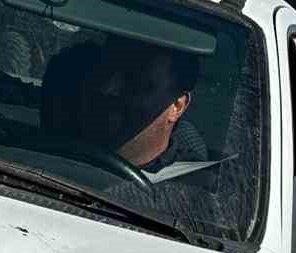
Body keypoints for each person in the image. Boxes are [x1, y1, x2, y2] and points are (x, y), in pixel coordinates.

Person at [76, 37, 206, 173]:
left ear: (177, 106)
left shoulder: (194, 186)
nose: (107, 89)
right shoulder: (55, 148)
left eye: (134, 82)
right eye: (103, 74)